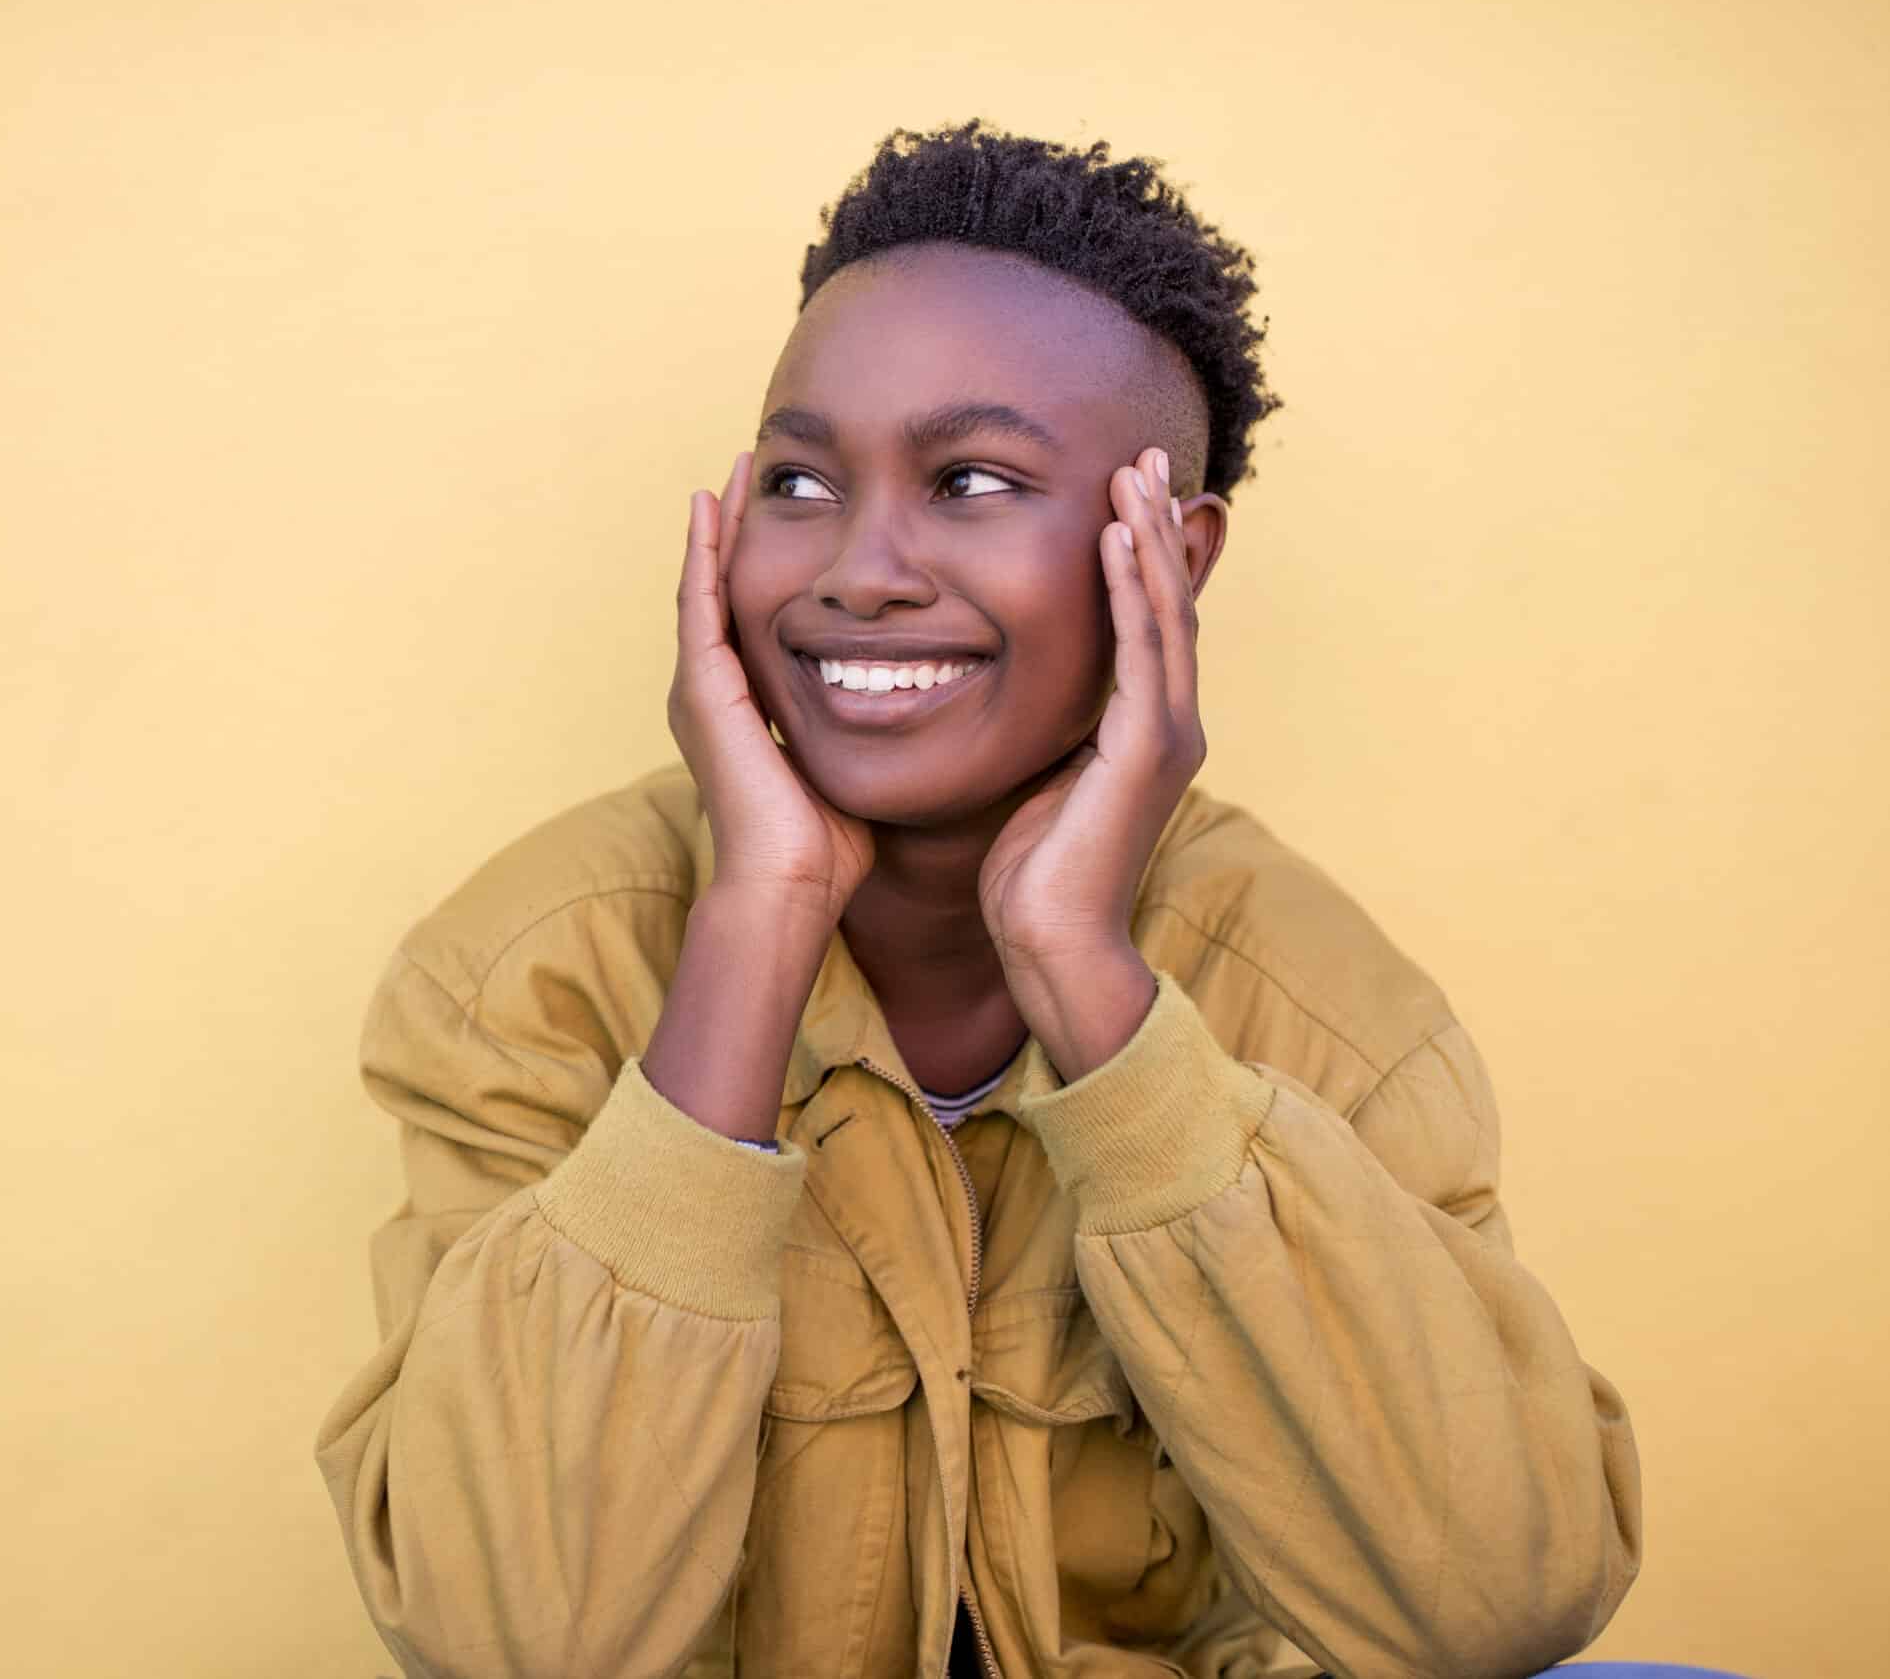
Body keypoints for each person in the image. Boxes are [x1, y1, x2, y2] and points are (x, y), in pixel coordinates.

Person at [315, 121, 1642, 1679]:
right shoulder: (531, 975)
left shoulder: (1321, 1004)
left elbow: (1494, 1612)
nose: (862, 566)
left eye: (972, 480)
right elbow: (523, 1643)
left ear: (1169, 553)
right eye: (802, 479)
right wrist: (759, 918)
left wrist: (1087, 978)